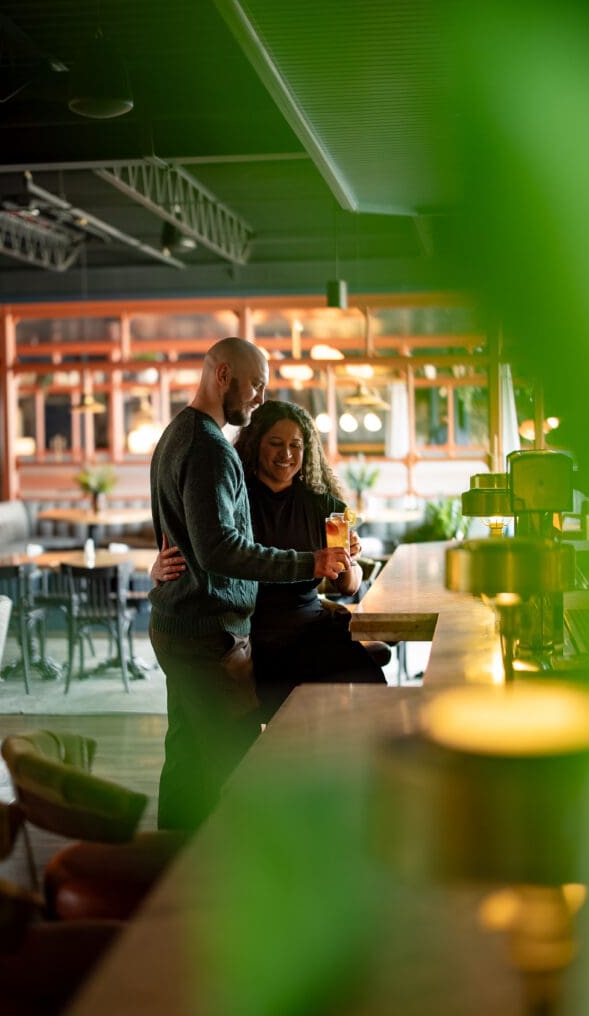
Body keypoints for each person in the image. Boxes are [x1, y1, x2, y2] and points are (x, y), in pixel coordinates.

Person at [149, 338, 351, 832]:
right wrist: (311, 561)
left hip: (183, 624)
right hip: (207, 634)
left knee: (188, 761)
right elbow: (219, 548)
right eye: (256, 384)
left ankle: (169, 867)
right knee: (241, 765)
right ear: (223, 376)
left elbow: (182, 535)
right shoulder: (209, 448)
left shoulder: (180, 432)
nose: (260, 397)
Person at [153, 399, 385, 723]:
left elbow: (347, 586)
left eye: (295, 445)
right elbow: (205, 548)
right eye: (275, 443)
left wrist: (347, 563)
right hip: (250, 635)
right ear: (254, 444)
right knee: (284, 713)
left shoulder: (325, 506)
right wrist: (160, 569)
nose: (286, 454)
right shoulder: (233, 498)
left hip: (310, 628)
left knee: (371, 688)